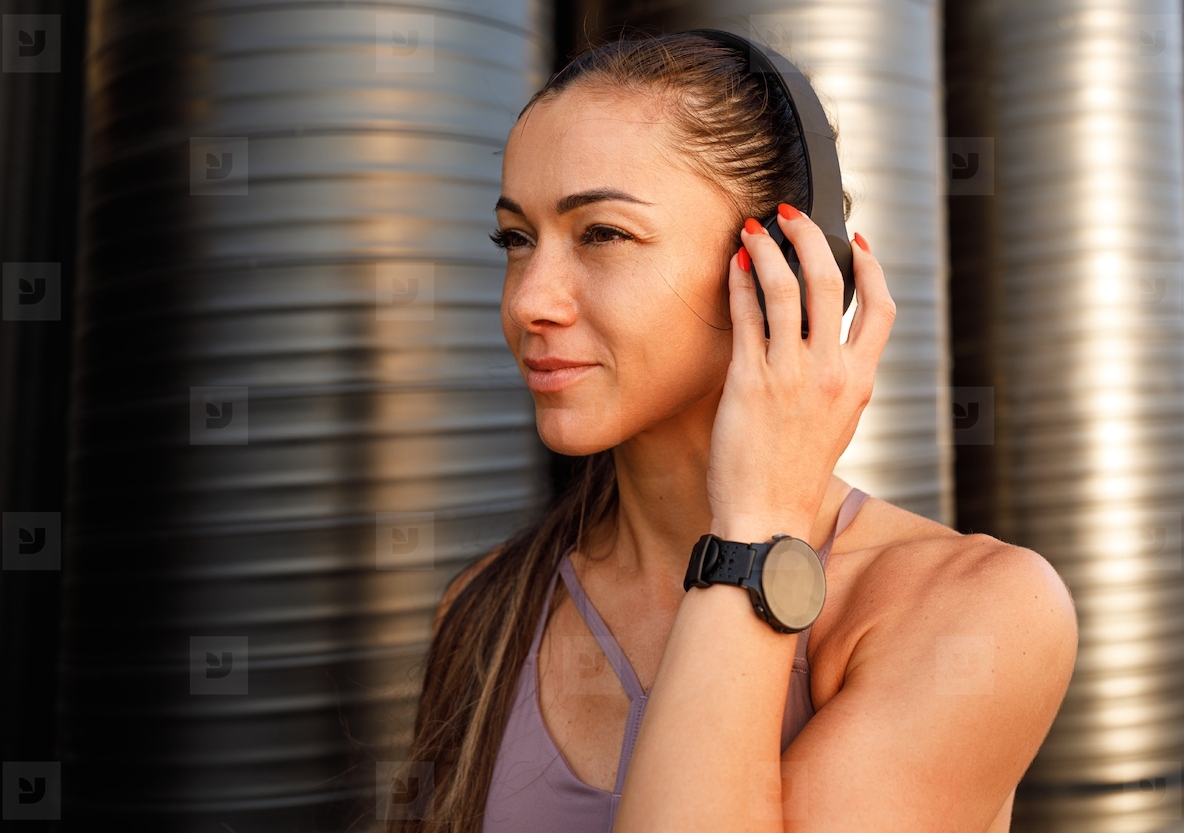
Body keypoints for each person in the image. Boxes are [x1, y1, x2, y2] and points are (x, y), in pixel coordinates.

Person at [386, 31, 1078, 833]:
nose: (529, 301)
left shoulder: (975, 610)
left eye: (602, 234)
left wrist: (753, 530)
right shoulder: (487, 612)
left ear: (781, 261)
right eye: (517, 239)